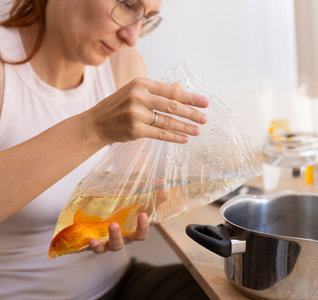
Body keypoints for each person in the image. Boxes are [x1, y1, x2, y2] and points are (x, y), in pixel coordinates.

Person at [0, 0, 210, 299]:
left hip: (117, 284)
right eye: (127, 5)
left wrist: (146, 207)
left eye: (146, 18)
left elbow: (134, 190)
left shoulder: (123, 65)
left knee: (232, 286)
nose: (132, 36)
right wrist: (94, 127)